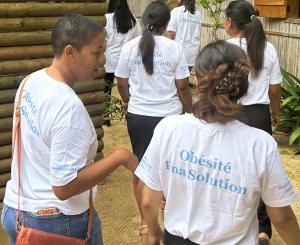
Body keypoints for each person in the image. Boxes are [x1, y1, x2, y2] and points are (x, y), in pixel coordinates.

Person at [135, 40, 300, 245]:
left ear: (198, 81)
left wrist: (152, 231)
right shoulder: (260, 145)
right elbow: (282, 218)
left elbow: (149, 201)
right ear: (243, 86)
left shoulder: (168, 128)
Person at [1, 13, 138, 245]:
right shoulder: (67, 107)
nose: (103, 59)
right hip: (56, 224)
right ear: (70, 52)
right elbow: (64, 187)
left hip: (17, 210)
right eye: (96, 52)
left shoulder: (30, 81)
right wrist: (120, 157)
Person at [115, 0, 192, 241]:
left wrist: (128, 101)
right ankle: (170, 216)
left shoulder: (130, 47)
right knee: (171, 167)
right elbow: (182, 86)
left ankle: (146, 223)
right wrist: (189, 111)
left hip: (138, 117)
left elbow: (120, 81)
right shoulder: (174, 48)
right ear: (166, 23)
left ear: (144, 20)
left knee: (141, 167)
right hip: (169, 117)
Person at [224, 1, 282, 244]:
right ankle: (262, 230)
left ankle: (232, 223)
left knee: (228, 168)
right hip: (259, 116)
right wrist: (276, 114)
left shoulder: (224, 49)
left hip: (230, 114)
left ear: (230, 21)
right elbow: (276, 89)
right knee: (261, 173)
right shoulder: (268, 48)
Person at [104, 0, 141, 126]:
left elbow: (102, 39)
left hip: (108, 61)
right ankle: (129, 115)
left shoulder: (106, 19)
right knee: (129, 89)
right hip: (126, 61)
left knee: (106, 90)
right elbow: (138, 39)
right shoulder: (132, 19)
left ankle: (106, 118)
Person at [167, 0, 201, 71]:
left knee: (176, 79)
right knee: (186, 78)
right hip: (192, 54)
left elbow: (171, 34)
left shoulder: (176, 11)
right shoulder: (197, 13)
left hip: (178, 53)